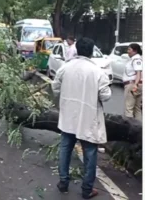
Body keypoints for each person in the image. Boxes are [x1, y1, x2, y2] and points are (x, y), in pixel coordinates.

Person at [52, 37, 111, 199]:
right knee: (90, 153)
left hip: (68, 116)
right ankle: (87, 190)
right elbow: (105, 96)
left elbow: (55, 88)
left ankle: (63, 183)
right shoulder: (97, 72)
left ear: (77, 49)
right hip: (88, 118)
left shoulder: (65, 67)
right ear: (91, 51)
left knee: (65, 149)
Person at [123, 43, 142, 120]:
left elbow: (138, 72)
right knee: (137, 109)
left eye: (129, 49)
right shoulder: (139, 59)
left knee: (129, 109)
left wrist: (135, 85)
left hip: (132, 85)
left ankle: (129, 129)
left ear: (135, 51)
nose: (128, 51)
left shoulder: (136, 59)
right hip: (139, 85)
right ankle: (139, 129)